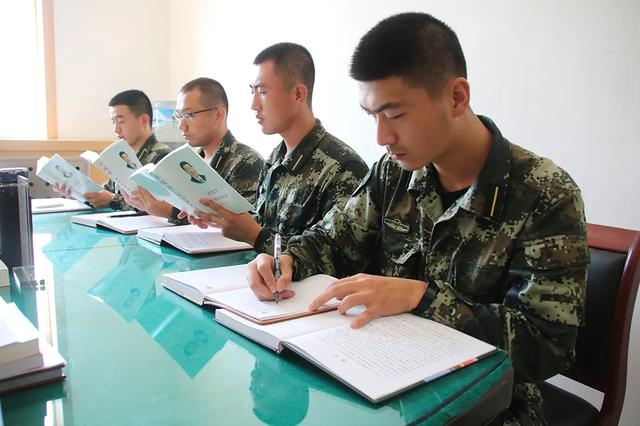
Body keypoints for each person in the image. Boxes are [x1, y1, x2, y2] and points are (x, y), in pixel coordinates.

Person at [247, 13, 589, 425]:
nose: (381, 137)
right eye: (372, 115)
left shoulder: (544, 193)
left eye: (395, 114)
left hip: (491, 407)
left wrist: (421, 298)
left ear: (456, 97)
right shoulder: (393, 173)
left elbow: (547, 346)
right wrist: (286, 261)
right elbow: (333, 240)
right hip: (385, 384)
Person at [185, 43, 368, 253]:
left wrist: (254, 235)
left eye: (262, 91)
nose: (254, 104)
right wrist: (220, 219)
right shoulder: (275, 159)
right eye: (252, 91)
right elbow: (263, 225)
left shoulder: (342, 168)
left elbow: (334, 258)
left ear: (298, 94)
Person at [124, 78, 264, 224]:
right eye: (179, 116)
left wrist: (169, 211)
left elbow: (246, 227)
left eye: (188, 115)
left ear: (218, 115)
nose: (181, 126)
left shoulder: (246, 162)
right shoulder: (188, 162)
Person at [53, 89, 171, 210]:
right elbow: (107, 191)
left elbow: (160, 206)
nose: (116, 129)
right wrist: (78, 192)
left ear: (143, 120)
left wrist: (113, 200)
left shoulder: (161, 156)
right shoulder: (122, 154)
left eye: (120, 121)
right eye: (114, 122)